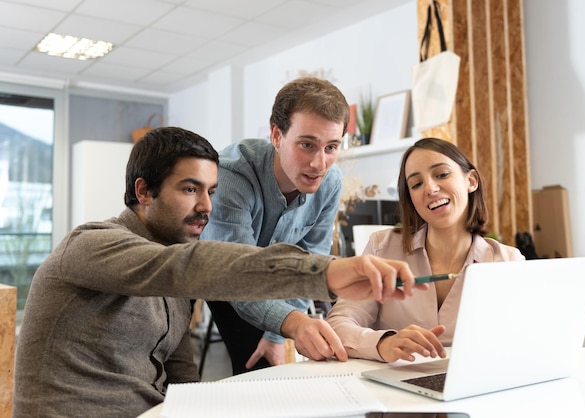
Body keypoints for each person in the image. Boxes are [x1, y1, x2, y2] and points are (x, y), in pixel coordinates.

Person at [12, 127, 425, 418]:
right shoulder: (91, 245)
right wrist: (327, 271)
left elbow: (179, 370)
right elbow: (189, 266)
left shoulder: (176, 267)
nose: (207, 207)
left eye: (211, 191)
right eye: (190, 189)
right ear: (143, 192)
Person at [326, 137, 525, 363]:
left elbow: (526, 339)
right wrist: (384, 343)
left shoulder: (507, 261)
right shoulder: (382, 247)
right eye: (416, 184)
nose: (430, 188)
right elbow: (339, 323)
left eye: (441, 174)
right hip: (394, 386)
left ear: (471, 181)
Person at [201, 76, 349, 374]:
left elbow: (310, 263)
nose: (319, 164)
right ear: (277, 136)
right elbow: (238, 278)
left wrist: (276, 334)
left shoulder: (330, 182)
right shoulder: (230, 176)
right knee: (255, 362)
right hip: (219, 272)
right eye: (307, 145)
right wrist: (291, 324)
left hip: (273, 276)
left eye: (331, 147)